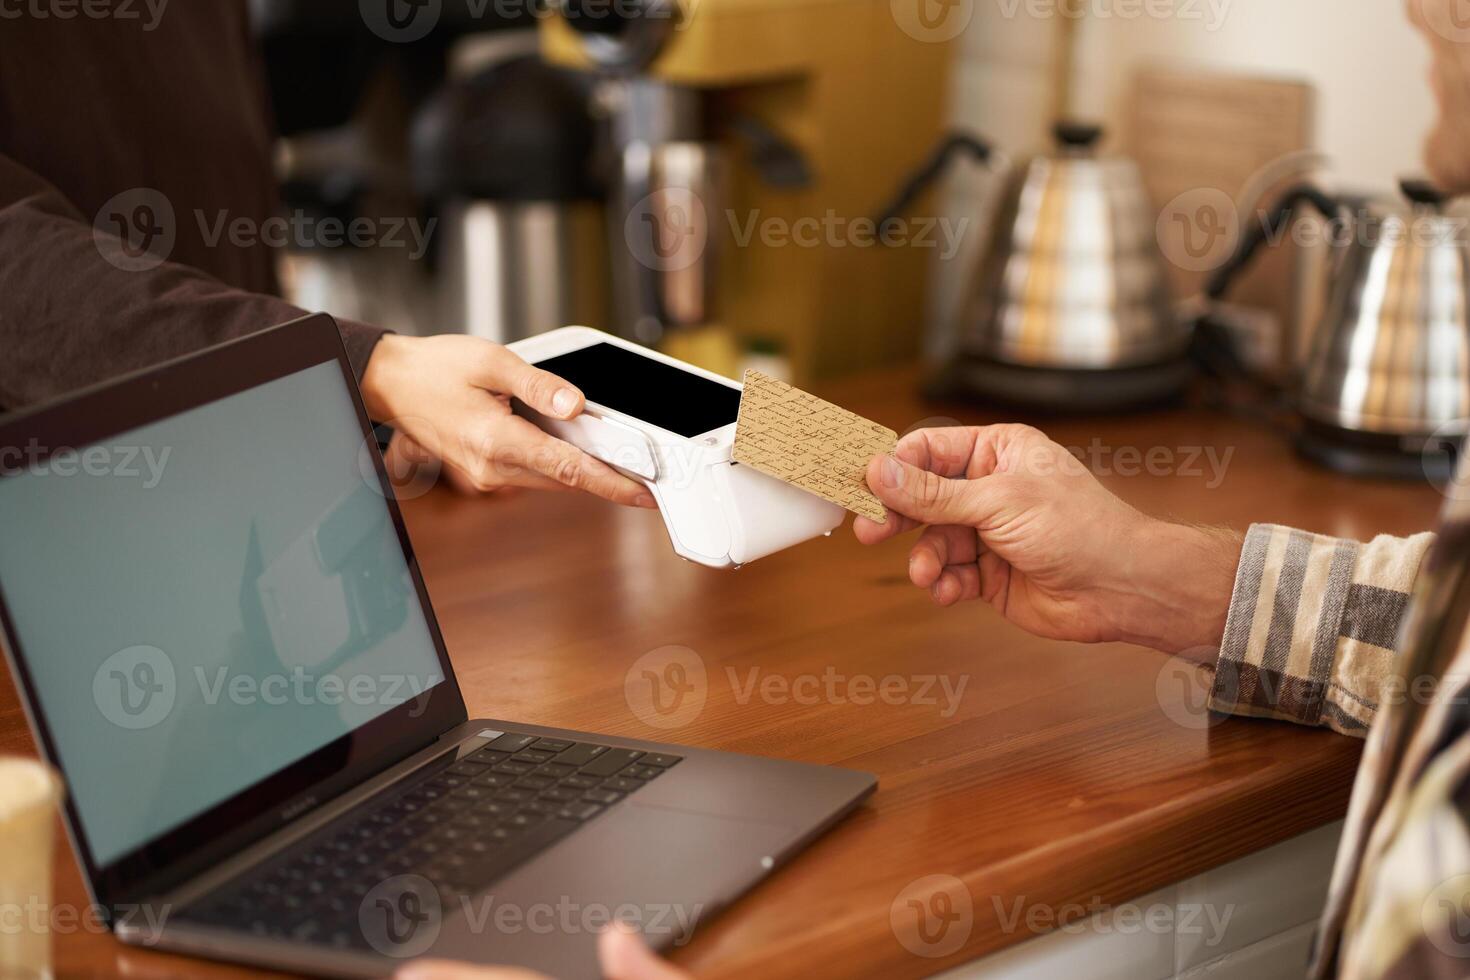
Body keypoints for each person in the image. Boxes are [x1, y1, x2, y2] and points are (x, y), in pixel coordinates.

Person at [0, 6, 652, 509]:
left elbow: (204, 208)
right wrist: (365, 372)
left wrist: (355, 416)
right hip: (53, 529)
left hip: (221, 489)